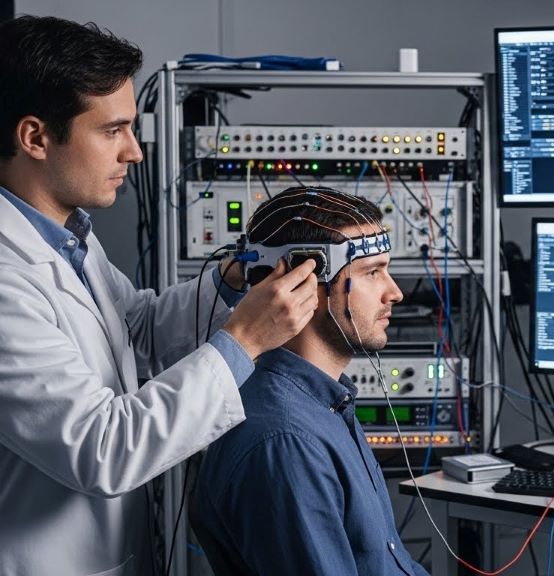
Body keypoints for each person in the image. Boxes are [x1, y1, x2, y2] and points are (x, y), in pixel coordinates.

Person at [0, 15, 320, 575]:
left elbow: (136, 331)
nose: (135, 152)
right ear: (35, 138)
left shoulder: (67, 235)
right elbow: (101, 447)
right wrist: (243, 341)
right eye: (112, 130)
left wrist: (227, 283)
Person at [190, 187, 429, 576]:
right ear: (304, 280)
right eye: (372, 272)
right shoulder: (285, 441)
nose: (395, 292)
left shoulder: (325, 404)